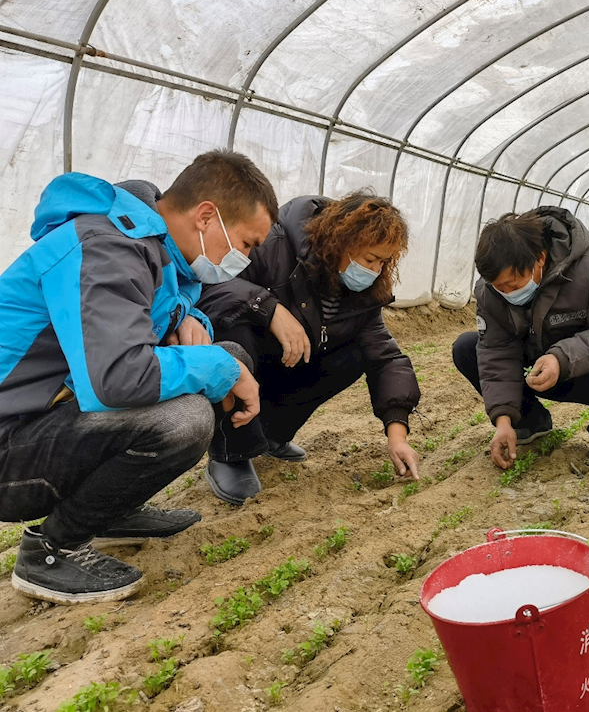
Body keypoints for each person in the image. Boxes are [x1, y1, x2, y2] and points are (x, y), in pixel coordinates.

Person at [0, 149, 277, 603]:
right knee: (184, 419)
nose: (244, 259)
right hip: (9, 442)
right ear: (207, 216)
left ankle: (108, 512)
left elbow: (161, 317)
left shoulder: (152, 247)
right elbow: (118, 378)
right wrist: (222, 369)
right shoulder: (106, 248)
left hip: (45, 416)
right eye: (246, 243)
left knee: (226, 353)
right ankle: (51, 551)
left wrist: (193, 325)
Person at [196, 191, 421, 505]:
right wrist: (268, 308)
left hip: (287, 362)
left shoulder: (365, 293)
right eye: (369, 259)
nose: (373, 270)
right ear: (339, 241)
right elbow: (211, 287)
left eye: (383, 262)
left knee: (355, 354)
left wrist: (397, 435)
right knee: (232, 329)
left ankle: (272, 435)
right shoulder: (275, 244)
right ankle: (231, 451)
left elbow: (385, 357)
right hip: (255, 356)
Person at [452, 207, 589, 469]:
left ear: (539, 259)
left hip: (584, 370)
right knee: (466, 348)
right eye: (500, 286)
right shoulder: (489, 291)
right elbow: (496, 353)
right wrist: (503, 421)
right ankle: (529, 422)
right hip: (535, 370)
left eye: (515, 283)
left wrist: (560, 358)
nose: (507, 292)